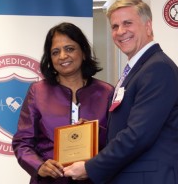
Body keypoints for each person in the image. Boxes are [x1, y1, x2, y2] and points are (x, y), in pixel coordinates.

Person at [63, 0, 178, 184]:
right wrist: (94, 133)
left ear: (148, 26)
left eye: (127, 23)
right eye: (115, 27)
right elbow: (133, 126)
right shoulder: (140, 68)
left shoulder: (157, 68)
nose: (120, 32)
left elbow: (138, 136)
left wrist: (90, 167)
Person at [12, 22, 114, 184]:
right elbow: (22, 142)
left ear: (84, 52)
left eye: (70, 49)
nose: (62, 56)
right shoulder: (37, 91)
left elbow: (117, 141)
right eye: (55, 52)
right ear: (50, 58)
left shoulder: (106, 92)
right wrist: (39, 166)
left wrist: (95, 132)